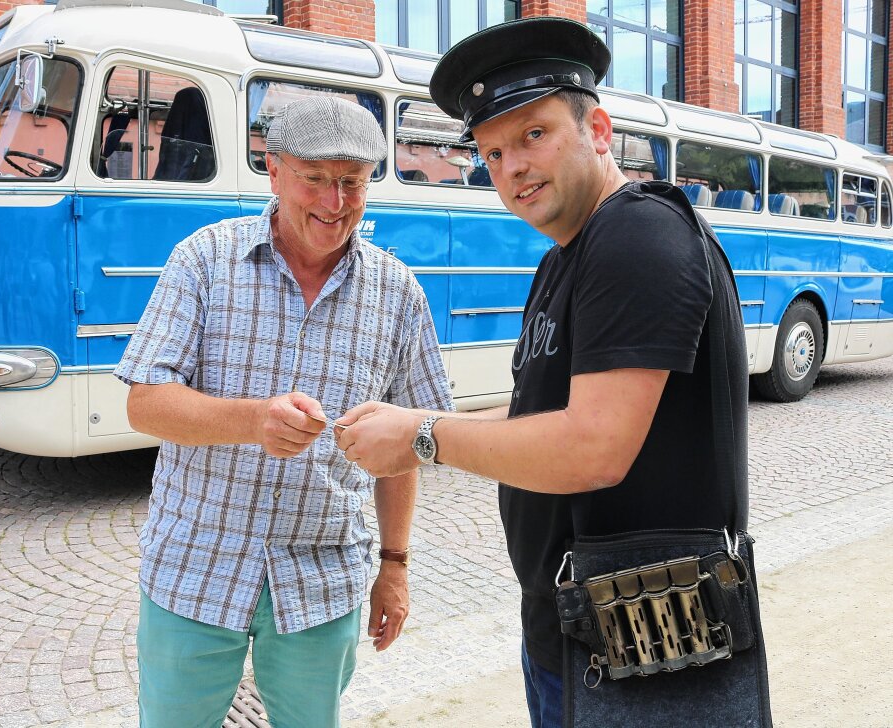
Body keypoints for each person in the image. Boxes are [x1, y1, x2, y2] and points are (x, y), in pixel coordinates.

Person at [335, 17, 759, 727]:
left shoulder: (637, 234)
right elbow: (543, 422)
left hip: (652, 649)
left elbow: (593, 447)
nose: (513, 168)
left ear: (597, 130)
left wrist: (423, 436)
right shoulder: (567, 257)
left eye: (534, 135)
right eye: (493, 152)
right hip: (580, 635)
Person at [115, 96, 453, 728]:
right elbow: (145, 402)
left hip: (323, 579)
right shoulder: (204, 260)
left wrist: (395, 568)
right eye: (316, 179)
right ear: (273, 172)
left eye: (351, 183)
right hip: (195, 566)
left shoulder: (398, 292)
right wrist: (253, 421)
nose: (334, 202)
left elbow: (407, 443)